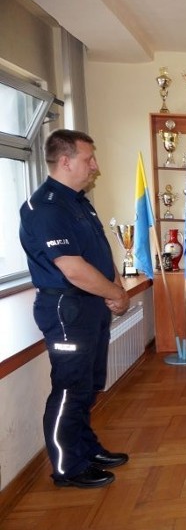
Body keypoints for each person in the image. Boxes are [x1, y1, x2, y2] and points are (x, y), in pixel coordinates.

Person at [18, 129, 131, 489]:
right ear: (65, 161)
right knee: (70, 387)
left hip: (91, 305)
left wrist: (116, 289)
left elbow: (99, 251)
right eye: (88, 159)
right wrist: (114, 291)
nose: (95, 166)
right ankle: (68, 467)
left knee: (88, 385)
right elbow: (73, 269)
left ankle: (85, 448)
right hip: (67, 307)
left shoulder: (79, 201)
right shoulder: (46, 207)